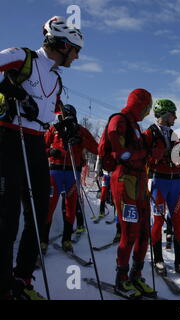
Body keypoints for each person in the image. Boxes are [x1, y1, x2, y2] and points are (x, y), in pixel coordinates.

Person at [0, 16, 82, 300]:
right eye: (75, 49)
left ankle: (22, 278)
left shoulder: (56, 79)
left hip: (35, 144)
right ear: (61, 45)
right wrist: (7, 91)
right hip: (9, 138)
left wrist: (64, 124)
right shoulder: (21, 57)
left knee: (37, 215)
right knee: (7, 217)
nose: (77, 56)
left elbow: (50, 110)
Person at [105, 88, 154, 299]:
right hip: (125, 180)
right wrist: (144, 152)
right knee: (130, 232)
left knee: (144, 232)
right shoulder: (120, 121)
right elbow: (121, 153)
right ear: (139, 104)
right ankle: (121, 279)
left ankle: (136, 274)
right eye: (147, 107)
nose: (148, 112)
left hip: (140, 180)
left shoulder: (135, 125)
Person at [143, 98, 180, 277]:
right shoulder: (149, 133)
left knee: (178, 221)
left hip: (176, 182)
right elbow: (144, 158)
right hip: (159, 182)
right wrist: (161, 154)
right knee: (158, 221)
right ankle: (158, 259)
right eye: (173, 114)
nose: (175, 118)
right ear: (164, 115)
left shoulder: (174, 134)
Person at [43, 104, 98, 253]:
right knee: (49, 206)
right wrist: (51, 151)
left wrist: (81, 140)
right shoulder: (54, 129)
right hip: (55, 172)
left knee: (70, 207)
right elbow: (41, 147)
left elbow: (96, 148)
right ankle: (43, 240)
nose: (65, 119)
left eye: (68, 116)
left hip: (72, 173)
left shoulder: (80, 130)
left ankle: (66, 239)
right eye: (63, 116)